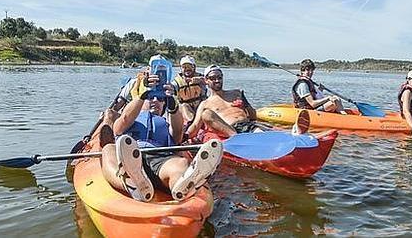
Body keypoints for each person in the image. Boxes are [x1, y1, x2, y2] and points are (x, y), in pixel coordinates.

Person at [99, 70, 223, 202]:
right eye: (151, 98)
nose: (155, 101)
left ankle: (180, 187)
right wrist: (142, 95)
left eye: (160, 99)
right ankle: (130, 183)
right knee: (108, 150)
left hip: (160, 159)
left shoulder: (164, 122)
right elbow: (121, 124)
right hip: (129, 156)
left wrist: (172, 103)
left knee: (181, 163)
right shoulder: (132, 117)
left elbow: (178, 134)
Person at [187, 65, 310, 142]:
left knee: (263, 131)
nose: (217, 80)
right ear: (206, 81)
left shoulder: (236, 93)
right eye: (213, 78)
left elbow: (253, 116)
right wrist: (184, 136)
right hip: (229, 129)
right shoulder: (205, 103)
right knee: (207, 114)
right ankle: (239, 139)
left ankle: (294, 133)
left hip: (247, 125)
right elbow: (195, 126)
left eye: (219, 77)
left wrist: (244, 103)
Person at [172, 55, 208, 124]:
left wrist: (201, 80)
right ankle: (192, 123)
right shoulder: (177, 81)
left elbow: (212, 82)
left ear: (194, 67)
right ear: (181, 68)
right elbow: (171, 87)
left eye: (189, 66)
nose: (187, 69)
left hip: (200, 106)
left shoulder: (201, 77)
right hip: (186, 110)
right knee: (184, 105)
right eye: (184, 67)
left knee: (205, 103)